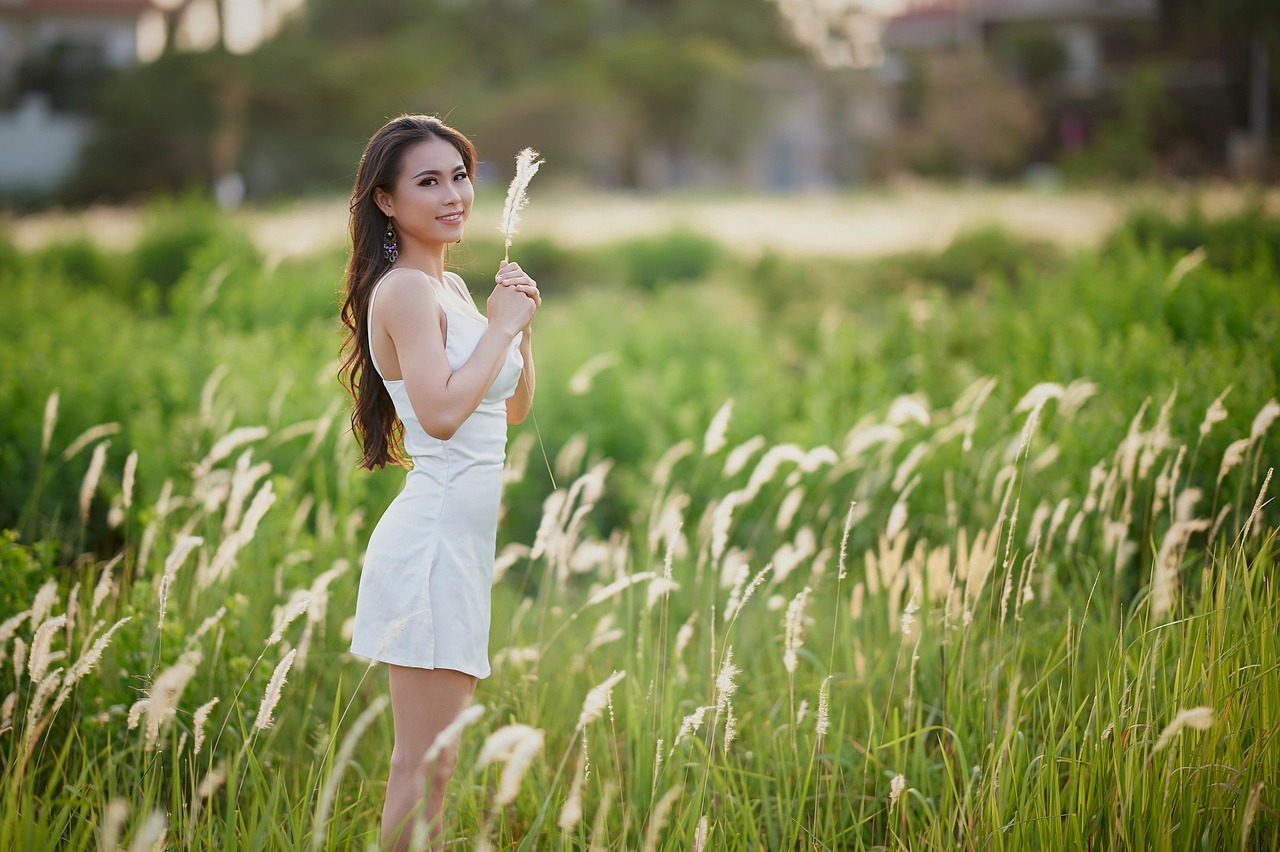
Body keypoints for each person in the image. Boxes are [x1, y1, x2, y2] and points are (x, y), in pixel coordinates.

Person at [338, 114, 539, 851]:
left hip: (459, 547)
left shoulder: (448, 285)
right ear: (387, 200)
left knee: (440, 763)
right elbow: (443, 415)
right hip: (429, 548)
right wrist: (496, 329)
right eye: (429, 180)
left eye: (459, 176)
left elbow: (510, 410)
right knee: (422, 766)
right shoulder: (402, 293)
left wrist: (517, 328)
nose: (453, 194)